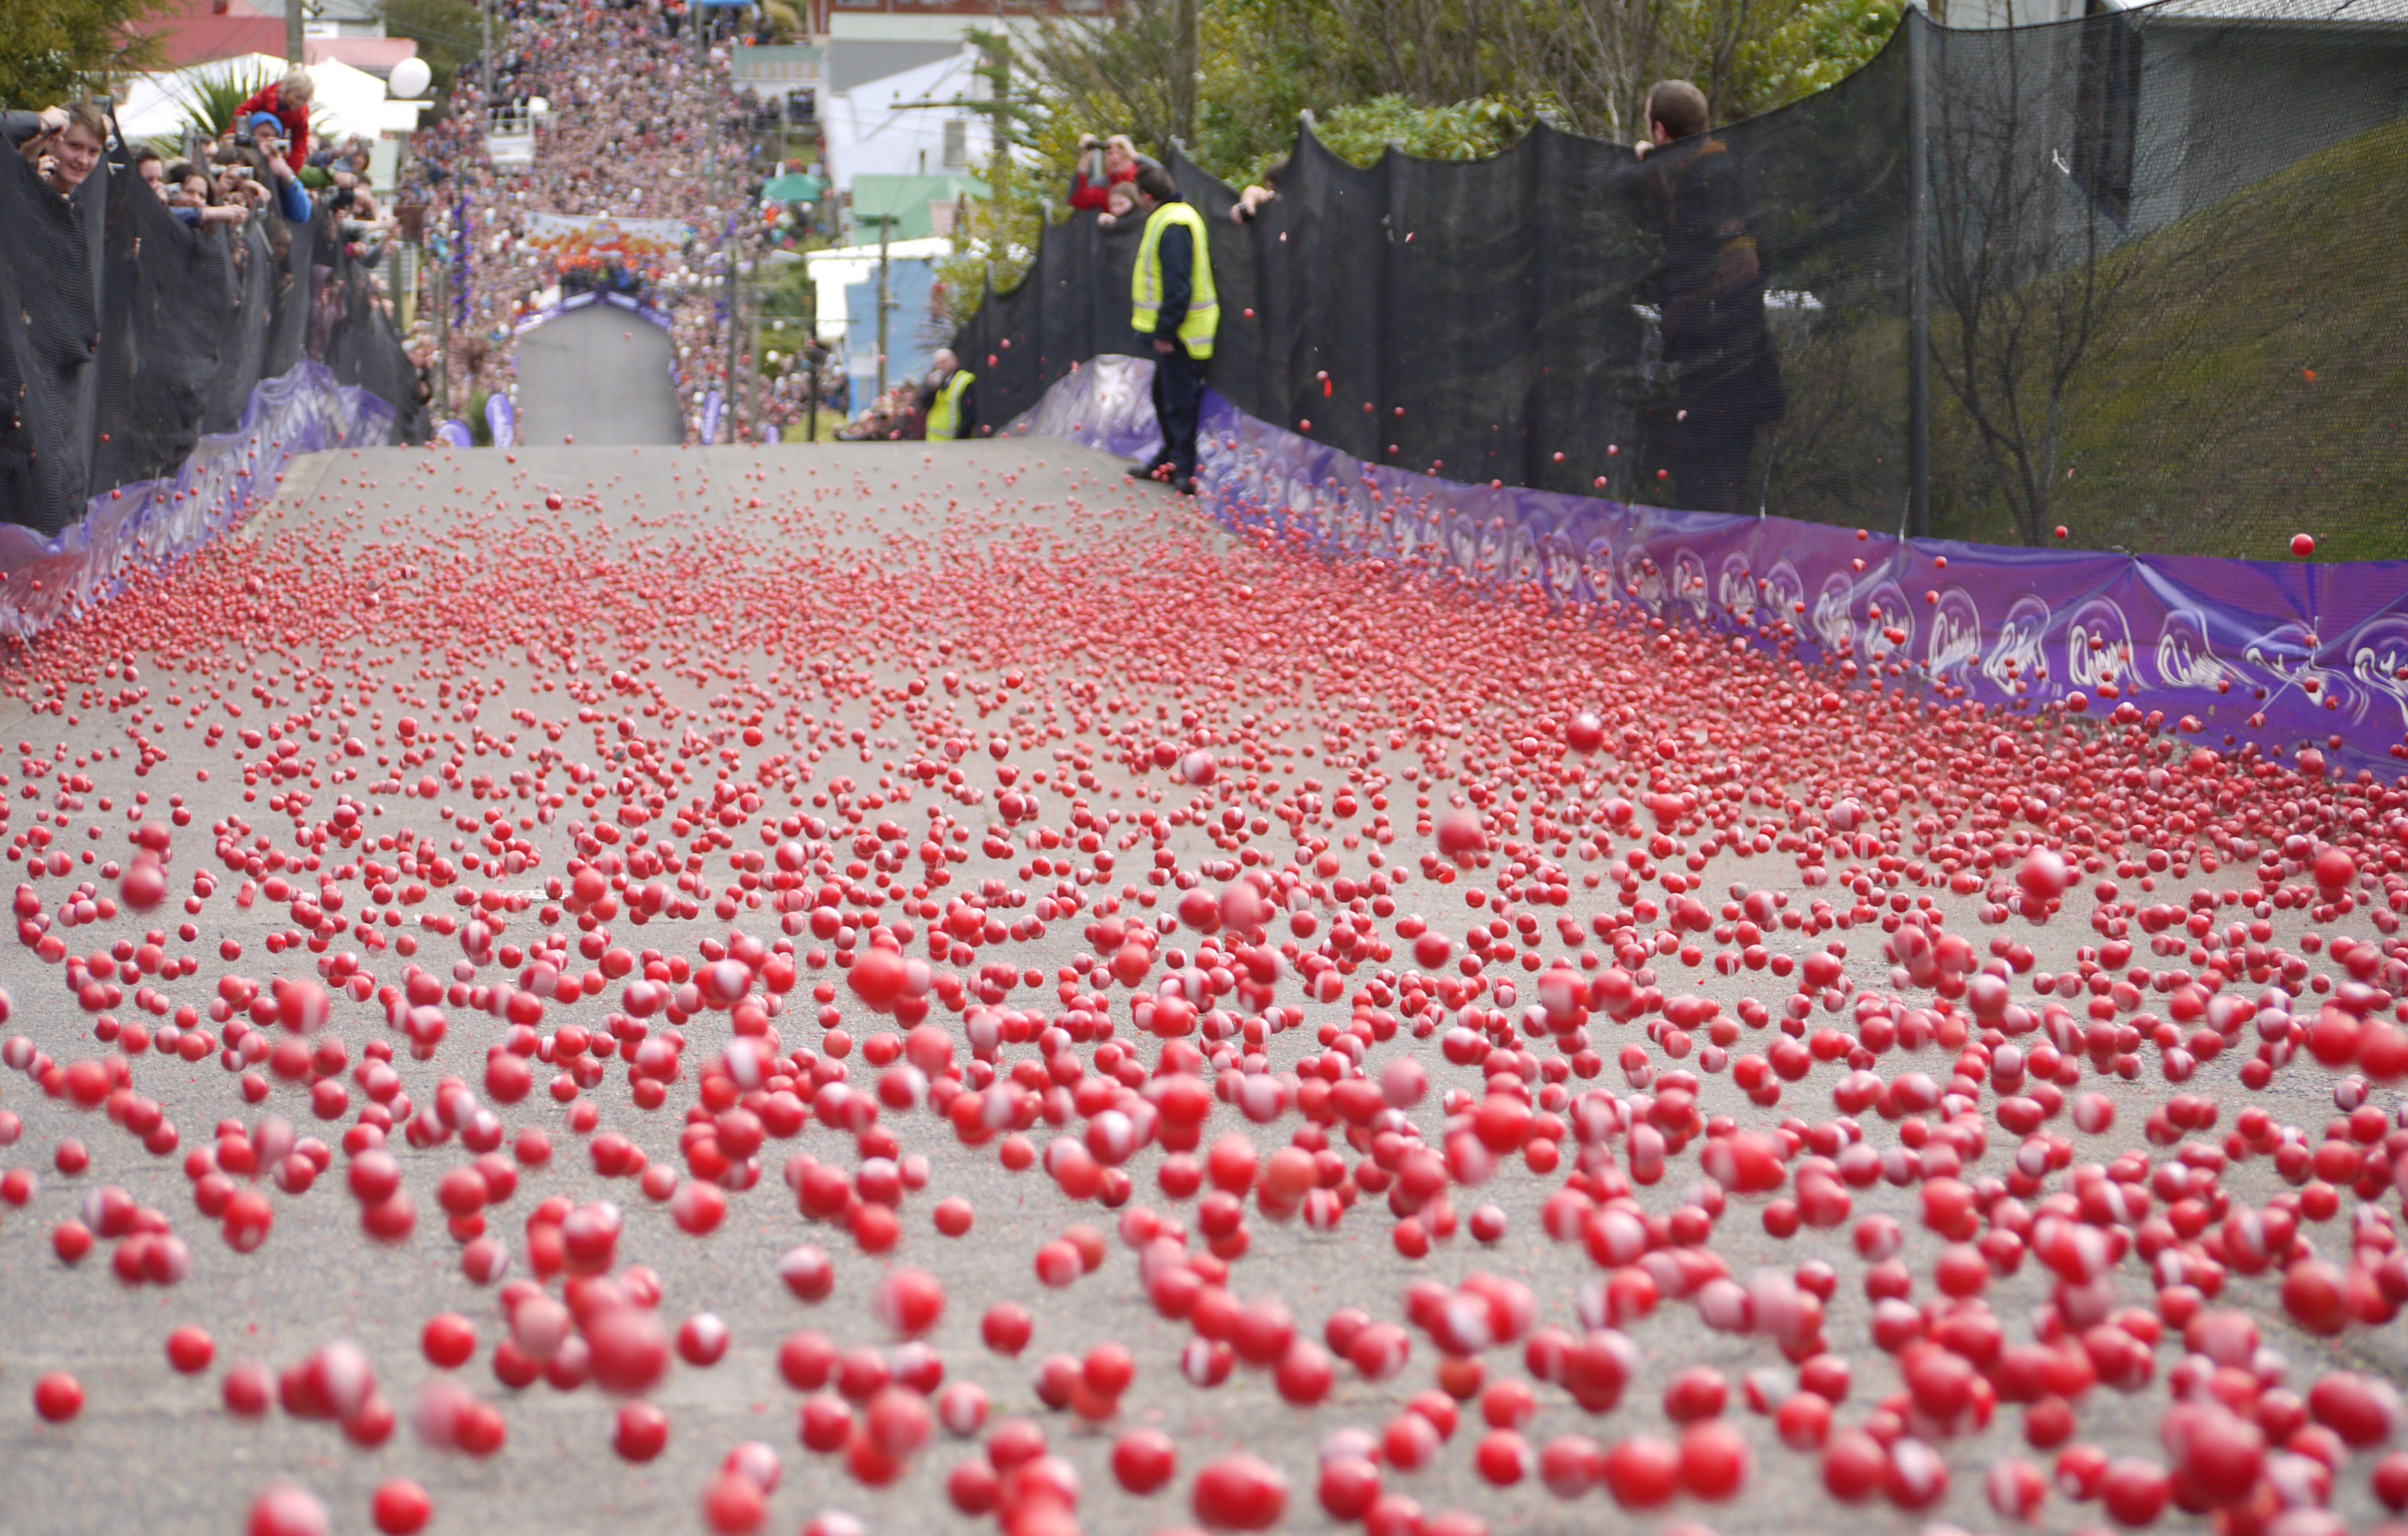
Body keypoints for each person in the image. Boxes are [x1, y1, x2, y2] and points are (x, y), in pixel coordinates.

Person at [1624, 79, 1785, 516]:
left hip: (1730, 358)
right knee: (1704, 476)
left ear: (1660, 130)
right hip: (1710, 354)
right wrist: (1652, 167)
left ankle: (1716, 579)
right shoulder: (1694, 170)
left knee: (1715, 482)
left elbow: (1743, 265)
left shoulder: (1715, 176)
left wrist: (1685, 305)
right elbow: (1675, 229)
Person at [1126, 163, 1215, 494]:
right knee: (1165, 396)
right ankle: (1170, 459)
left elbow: (1179, 285)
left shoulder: (1174, 223)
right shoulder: (1172, 218)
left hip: (1184, 333)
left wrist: (1166, 332)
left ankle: (1184, 468)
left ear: (1146, 196)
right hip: (1180, 330)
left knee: (1180, 401)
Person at [8, 102, 107, 198]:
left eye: (93, 152)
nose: (83, 161)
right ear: (51, 141)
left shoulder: (82, 203)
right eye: (75, 146)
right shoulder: (16, 189)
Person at [238, 70, 315, 173]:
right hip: (257, 138)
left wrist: (292, 167)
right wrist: (238, 137)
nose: (300, 103)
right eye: (297, 97)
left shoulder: (302, 113)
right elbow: (244, 111)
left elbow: (300, 139)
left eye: (304, 100)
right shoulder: (268, 95)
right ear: (287, 91)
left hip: (276, 145)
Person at [1067, 133, 1140, 211]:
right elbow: (1076, 198)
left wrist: (1136, 156)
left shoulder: (1143, 177)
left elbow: (1155, 173)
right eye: (1110, 153)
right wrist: (1085, 157)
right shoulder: (1104, 186)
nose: (1115, 158)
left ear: (1130, 155)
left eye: (1121, 153)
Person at [922, 348, 976, 441]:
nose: (941, 366)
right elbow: (925, 404)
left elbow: (969, 416)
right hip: (935, 440)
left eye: (944, 361)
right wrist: (932, 389)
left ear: (955, 361)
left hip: (953, 441)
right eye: (938, 364)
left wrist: (961, 440)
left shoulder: (964, 380)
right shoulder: (940, 383)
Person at [1231, 156, 1285, 225]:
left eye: (1273, 187)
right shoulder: (1270, 197)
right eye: (1269, 187)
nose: (1271, 191)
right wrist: (1247, 206)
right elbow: (1254, 192)